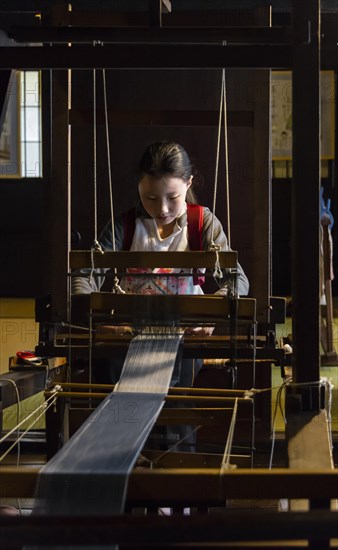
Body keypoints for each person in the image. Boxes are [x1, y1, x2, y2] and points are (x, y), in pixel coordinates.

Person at [72, 141, 249, 451]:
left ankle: (173, 487)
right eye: (150, 198)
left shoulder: (201, 223)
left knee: (175, 407)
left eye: (172, 198)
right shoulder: (125, 226)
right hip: (127, 337)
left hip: (182, 338)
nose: (162, 209)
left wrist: (211, 316)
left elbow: (237, 280)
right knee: (118, 403)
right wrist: (94, 318)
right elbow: (85, 275)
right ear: (138, 188)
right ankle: (121, 472)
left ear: (189, 184)